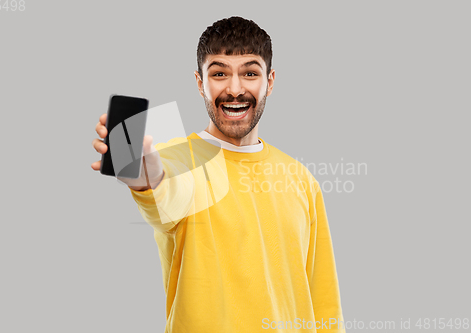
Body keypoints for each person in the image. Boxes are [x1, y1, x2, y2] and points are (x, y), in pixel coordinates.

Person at [91, 16, 346, 333]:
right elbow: (165, 193)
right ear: (200, 82)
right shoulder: (178, 158)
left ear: (270, 81)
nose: (235, 89)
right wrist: (146, 175)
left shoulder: (300, 177)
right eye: (219, 74)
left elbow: (323, 302)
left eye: (250, 73)